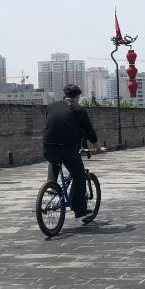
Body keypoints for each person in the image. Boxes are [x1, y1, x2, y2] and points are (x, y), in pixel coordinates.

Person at [42, 84, 106, 220]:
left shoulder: (51, 106)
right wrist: (99, 147)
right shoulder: (78, 109)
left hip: (48, 146)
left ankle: (51, 184)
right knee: (79, 176)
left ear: (64, 95)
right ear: (77, 96)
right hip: (68, 148)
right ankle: (79, 209)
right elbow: (89, 131)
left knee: (53, 159)